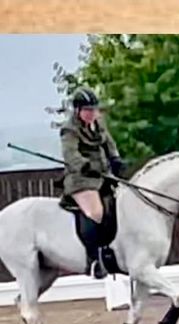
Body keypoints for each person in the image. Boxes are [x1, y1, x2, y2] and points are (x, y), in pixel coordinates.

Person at [61, 87, 125, 279]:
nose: (92, 114)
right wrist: (85, 166)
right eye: (87, 110)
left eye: (94, 110)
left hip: (103, 175)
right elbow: (71, 155)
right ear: (78, 111)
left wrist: (116, 159)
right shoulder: (69, 130)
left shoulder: (98, 123)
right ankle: (93, 259)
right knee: (95, 212)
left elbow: (109, 144)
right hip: (81, 178)